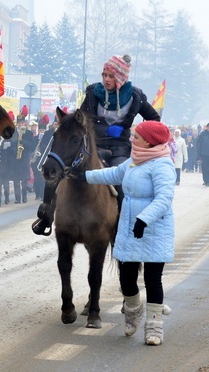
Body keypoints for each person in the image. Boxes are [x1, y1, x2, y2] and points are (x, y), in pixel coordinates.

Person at [32, 54, 160, 236]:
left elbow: (154, 118)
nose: (106, 80)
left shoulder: (135, 96)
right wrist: (98, 129)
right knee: (60, 169)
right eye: (104, 75)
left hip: (120, 147)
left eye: (111, 76)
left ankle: (124, 226)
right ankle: (46, 215)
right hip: (94, 145)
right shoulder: (93, 93)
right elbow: (80, 119)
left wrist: (139, 132)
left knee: (123, 182)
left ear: (121, 78)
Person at [75, 120, 175, 346]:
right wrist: (86, 177)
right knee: (127, 279)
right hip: (130, 227)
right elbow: (113, 174)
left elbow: (164, 198)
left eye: (137, 136)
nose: (132, 139)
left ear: (149, 142)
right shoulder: (134, 161)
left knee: (152, 280)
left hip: (154, 229)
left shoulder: (162, 166)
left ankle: (154, 328)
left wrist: (144, 219)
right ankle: (134, 310)